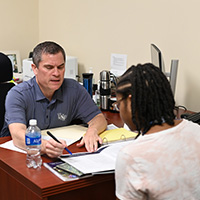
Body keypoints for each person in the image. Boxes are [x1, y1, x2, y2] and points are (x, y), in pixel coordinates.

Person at [1, 41, 107, 158]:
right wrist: (44, 146)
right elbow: (17, 135)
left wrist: (92, 131)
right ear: (34, 68)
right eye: (49, 67)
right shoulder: (18, 94)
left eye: (60, 67)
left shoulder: (74, 89)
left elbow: (99, 118)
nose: (56, 73)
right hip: (19, 157)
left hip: (60, 153)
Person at [114, 63, 200, 199]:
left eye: (118, 104)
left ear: (130, 102)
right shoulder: (196, 130)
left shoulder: (131, 156)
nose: (119, 111)